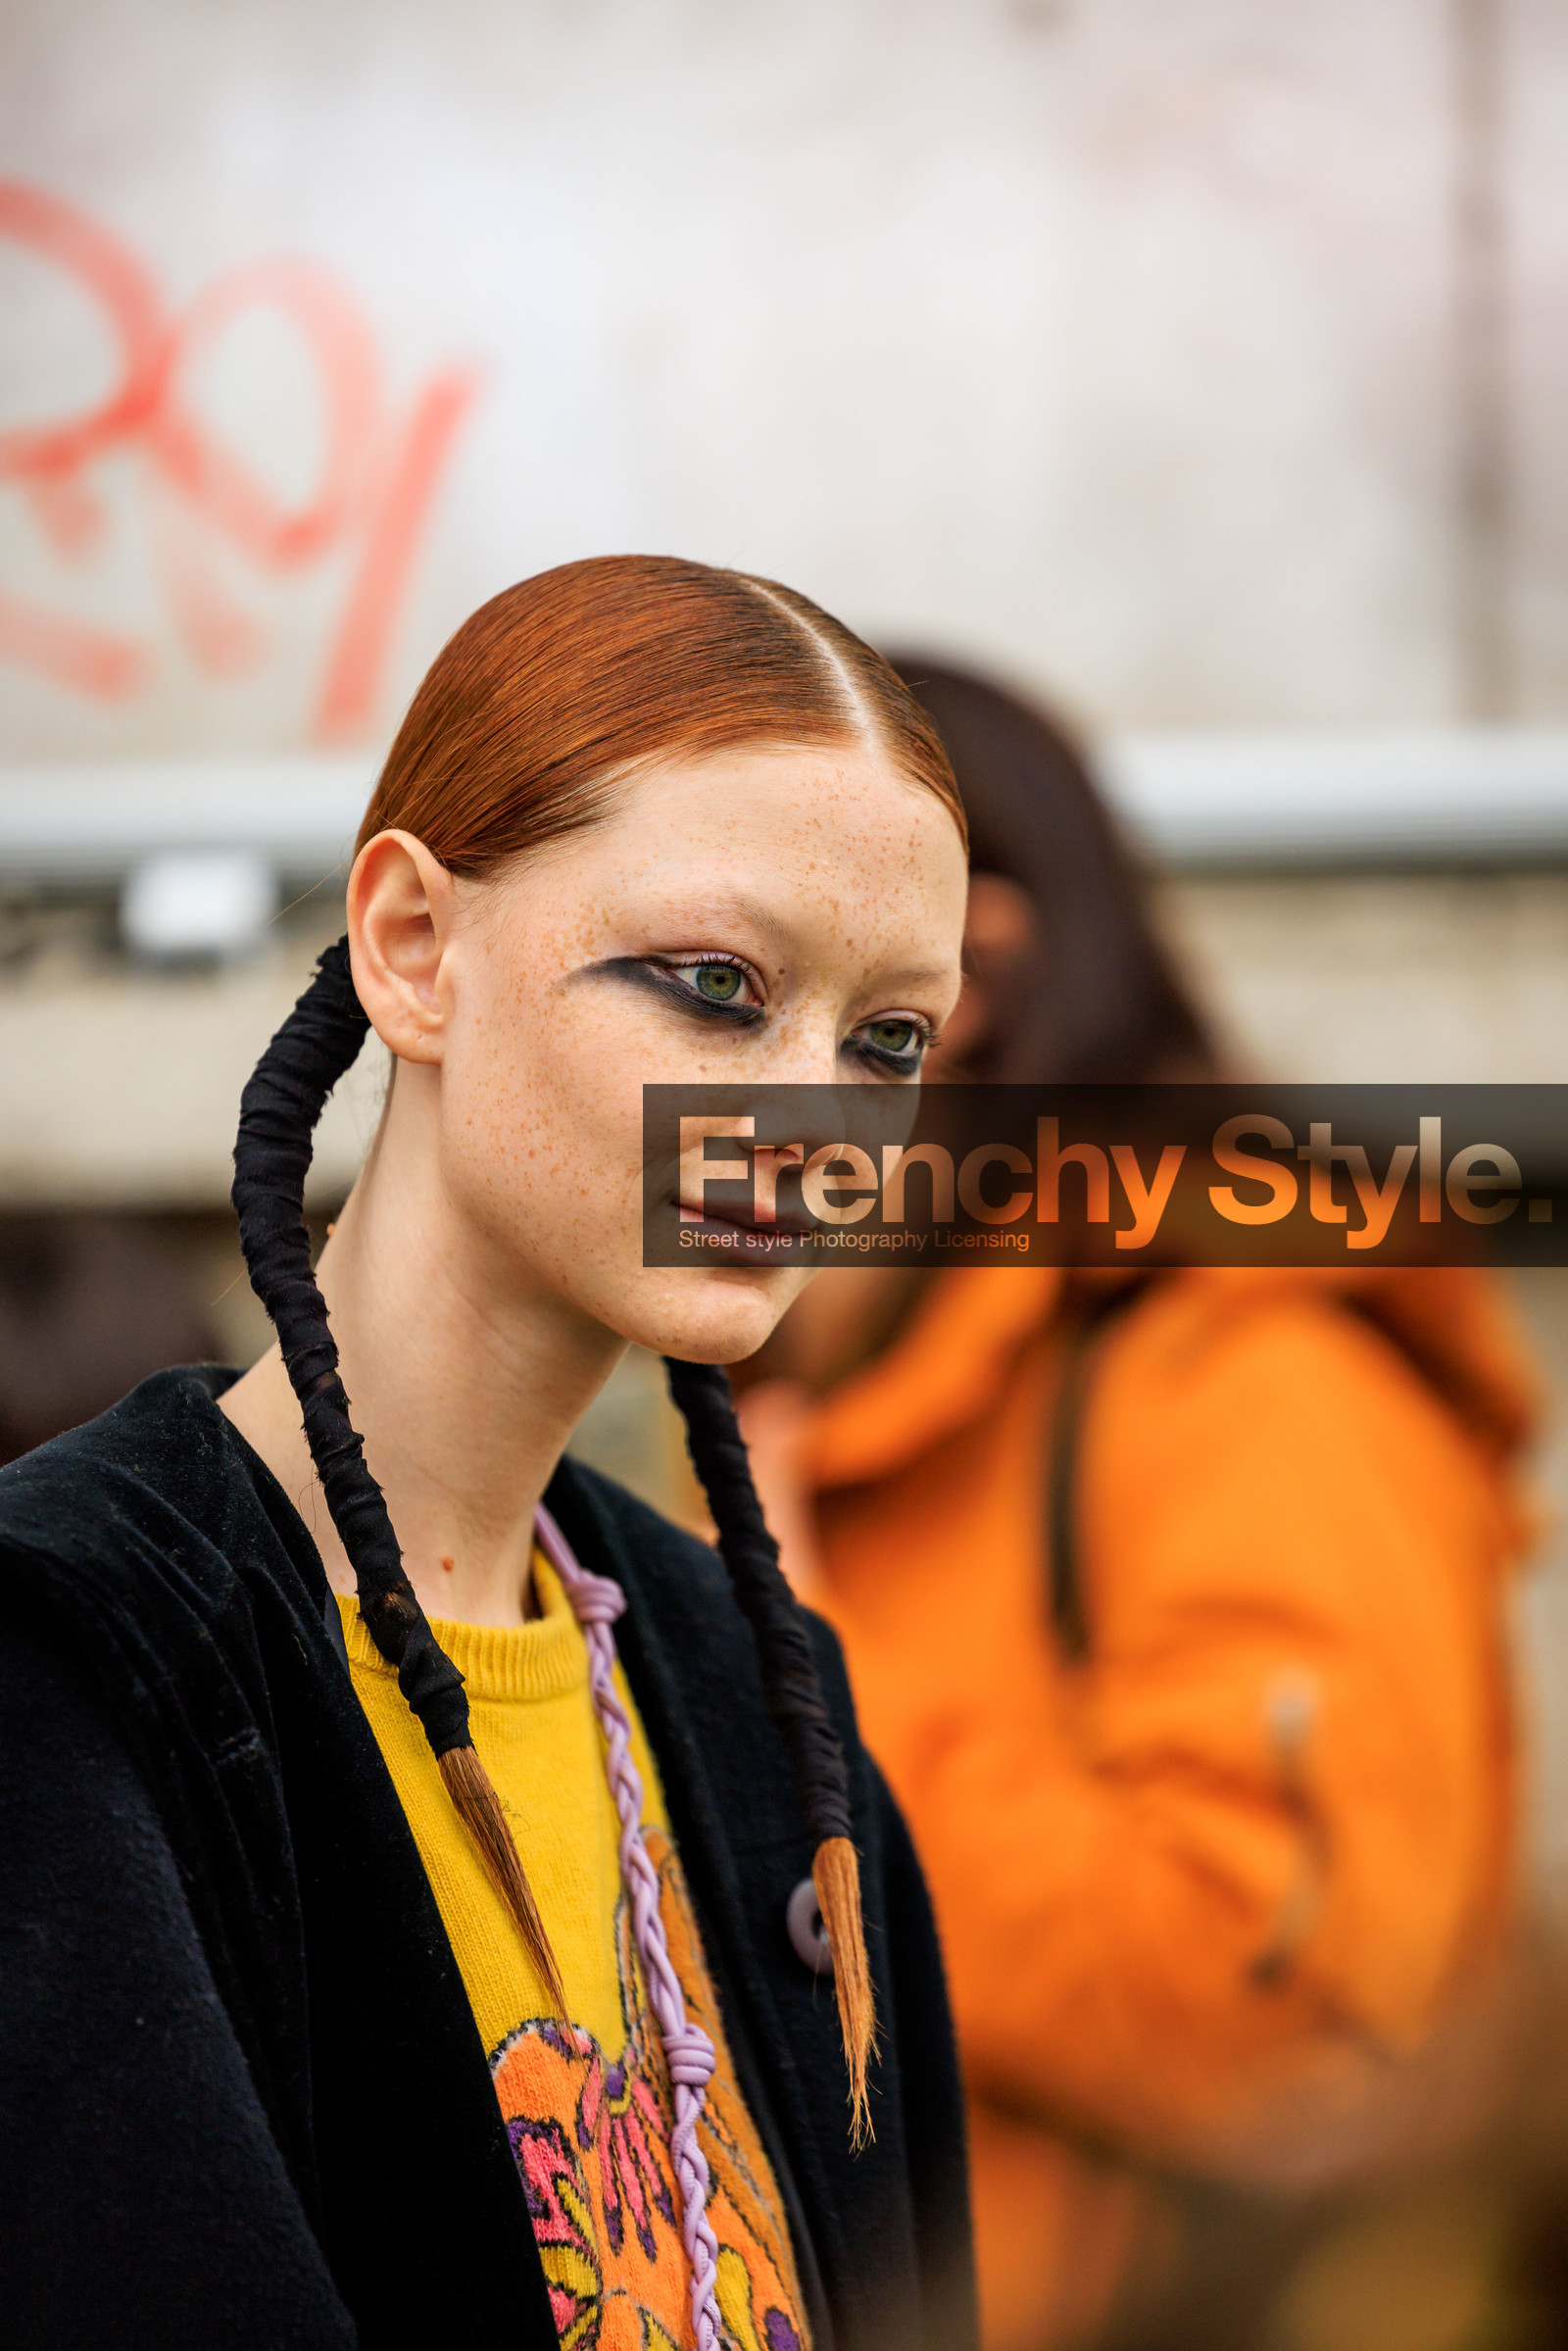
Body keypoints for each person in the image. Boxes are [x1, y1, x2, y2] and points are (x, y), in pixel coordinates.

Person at [0, 561, 980, 2351]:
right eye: (716, 985)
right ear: (411, 947)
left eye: (889, 1036)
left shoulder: (764, 1707)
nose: (814, 1119)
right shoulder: (72, 1666)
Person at [737, 659, 1539, 2351]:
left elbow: (1307, 2045)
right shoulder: (815, 1407)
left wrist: (811, 1700)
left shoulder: (1251, 1384)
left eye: (728, 984)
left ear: (970, 992)